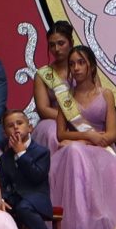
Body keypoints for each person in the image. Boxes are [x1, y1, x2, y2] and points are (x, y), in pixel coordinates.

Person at [51, 45, 116, 229]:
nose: (76, 68)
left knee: (79, 152)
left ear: (91, 66)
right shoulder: (65, 98)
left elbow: (112, 134)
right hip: (78, 147)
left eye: (81, 63)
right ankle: (80, 225)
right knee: (74, 152)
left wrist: (92, 141)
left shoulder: (106, 94)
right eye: (72, 64)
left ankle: (101, 222)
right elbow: (61, 134)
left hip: (102, 149)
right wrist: (87, 136)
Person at [0, 109, 64, 229]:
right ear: (5, 133)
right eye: (10, 126)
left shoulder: (41, 152)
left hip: (36, 198)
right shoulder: (4, 157)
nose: (15, 127)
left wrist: (21, 153)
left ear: (30, 128)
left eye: (19, 123)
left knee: (23, 207)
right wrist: (3, 199)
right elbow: (3, 183)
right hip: (15, 199)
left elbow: (37, 177)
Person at [27, 23, 79, 152]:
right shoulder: (43, 75)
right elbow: (43, 109)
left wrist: (82, 119)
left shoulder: (86, 68)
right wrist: (71, 118)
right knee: (52, 133)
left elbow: (97, 97)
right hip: (54, 120)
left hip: (85, 119)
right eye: (52, 45)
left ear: (71, 42)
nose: (56, 49)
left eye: (61, 43)